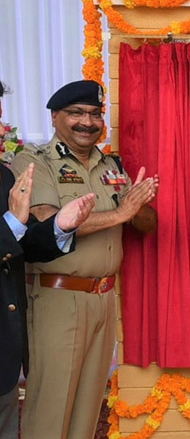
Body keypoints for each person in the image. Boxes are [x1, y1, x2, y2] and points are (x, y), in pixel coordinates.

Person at [10, 80, 158, 439]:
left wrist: (136, 207)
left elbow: (148, 223)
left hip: (104, 298)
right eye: (76, 113)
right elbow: (48, 220)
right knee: (51, 407)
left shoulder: (112, 165)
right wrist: (122, 212)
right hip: (58, 297)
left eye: (94, 114)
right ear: (56, 117)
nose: (87, 122)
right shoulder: (34, 161)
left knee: (89, 407)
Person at [0, 81, 95, 439]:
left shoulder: (4, 176)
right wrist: (13, 221)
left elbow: (19, 247)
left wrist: (60, 225)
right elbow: (10, 232)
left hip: (5, 350)